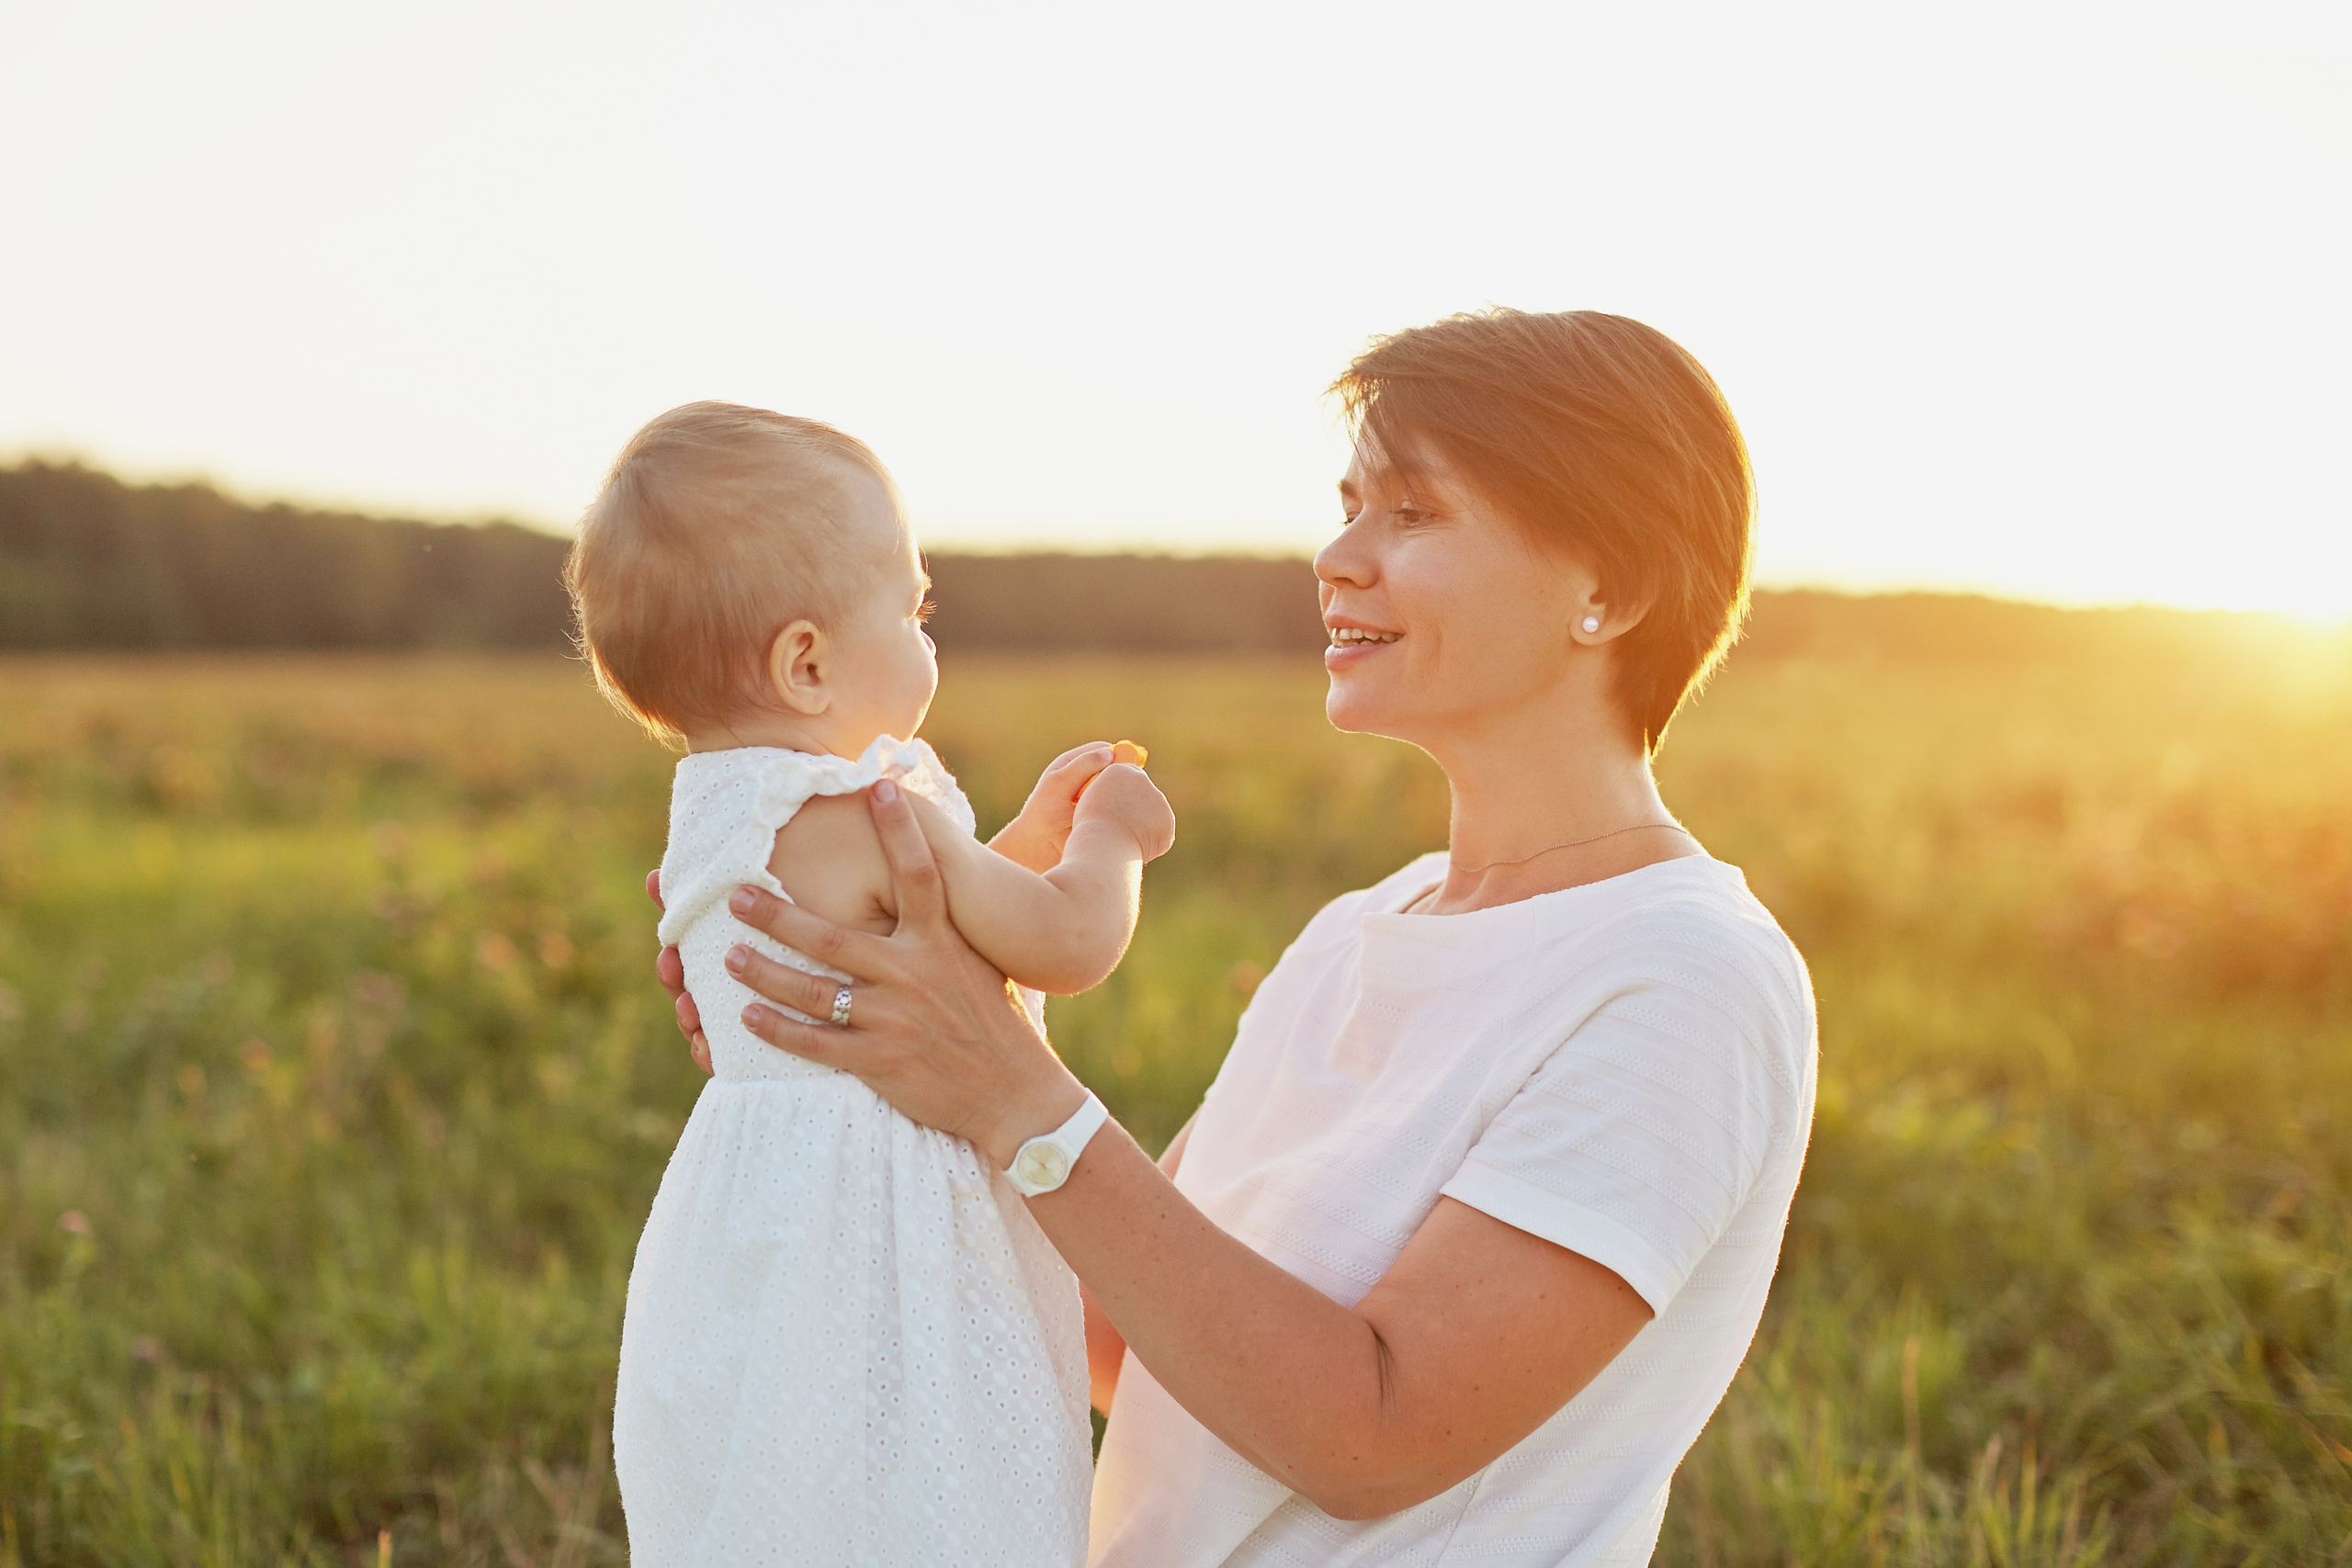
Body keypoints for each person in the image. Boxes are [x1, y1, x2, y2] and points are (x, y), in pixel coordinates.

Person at [663, 310, 1819, 1564]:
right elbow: (1142, 1338)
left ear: (1611, 588)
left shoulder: (1688, 976)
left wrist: (1003, 1082)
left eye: (1413, 513)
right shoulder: (1351, 935)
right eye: (1348, 504)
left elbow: (1374, 1433)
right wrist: (866, 1052)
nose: (1337, 554)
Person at [571, 401, 1174, 1566]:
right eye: (912, 607)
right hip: (889, 1225)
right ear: (807, 662)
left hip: (757, 1223)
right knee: (932, 1485)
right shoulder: (865, 803)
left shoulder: (724, 807)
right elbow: (1060, 942)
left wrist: (1019, 835)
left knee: (786, 1487)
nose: (928, 634)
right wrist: (1106, 843)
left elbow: (929, 925)